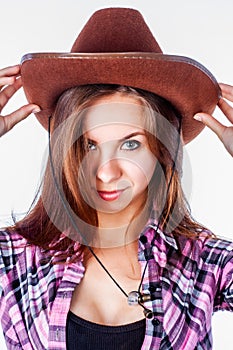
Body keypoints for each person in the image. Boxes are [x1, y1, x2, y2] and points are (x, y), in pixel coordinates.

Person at [0, 7, 232, 350]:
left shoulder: (204, 262)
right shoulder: (15, 258)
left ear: (161, 151)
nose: (107, 172)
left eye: (131, 144)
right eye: (88, 145)